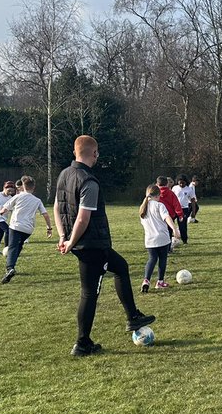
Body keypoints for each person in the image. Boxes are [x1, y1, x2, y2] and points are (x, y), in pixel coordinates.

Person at [54, 135, 154, 356]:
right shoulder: (88, 180)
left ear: (75, 152)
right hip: (91, 244)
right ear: (95, 153)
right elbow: (83, 218)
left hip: (82, 242)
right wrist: (70, 241)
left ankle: (133, 316)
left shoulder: (64, 175)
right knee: (89, 293)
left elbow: (56, 207)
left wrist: (63, 236)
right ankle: (82, 343)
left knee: (120, 267)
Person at [0, 175, 52, 284]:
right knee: (19, 245)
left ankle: (10, 268)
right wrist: (49, 228)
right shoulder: (37, 200)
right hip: (28, 229)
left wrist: (1, 212)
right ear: (33, 187)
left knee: (12, 247)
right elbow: (45, 214)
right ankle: (12, 265)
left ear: (22, 186)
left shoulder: (17, 197)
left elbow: (4, 209)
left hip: (16, 226)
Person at [139, 184, 181, 292]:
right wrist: (174, 229)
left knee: (152, 259)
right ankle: (160, 282)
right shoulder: (159, 205)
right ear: (158, 195)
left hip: (149, 239)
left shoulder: (142, 208)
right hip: (162, 238)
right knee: (162, 259)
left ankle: (146, 280)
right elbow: (167, 217)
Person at [156, 175, 185, 244]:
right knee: (169, 232)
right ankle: (168, 248)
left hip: (158, 215)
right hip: (170, 216)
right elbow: (176, 204)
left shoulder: (155, 193)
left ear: (157, 184)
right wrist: (180, 214)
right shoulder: (170, 193)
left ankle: (159, 246)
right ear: (167, 184)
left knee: (159, 231)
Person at [172, 176, 194, 244]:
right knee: (170, 224)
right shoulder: (174, 188)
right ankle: (171, 239)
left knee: (182, 226)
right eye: (180, 183)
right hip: (174, 209)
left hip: (184, 209)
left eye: (183, 183)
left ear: (186, 182)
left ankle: (184, 240)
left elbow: (193, 201)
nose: (181, 184)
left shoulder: (189, 189)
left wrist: (193, 211)